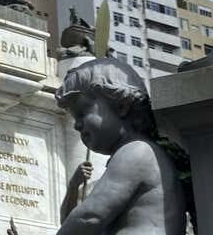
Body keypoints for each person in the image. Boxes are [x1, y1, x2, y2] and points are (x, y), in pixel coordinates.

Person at [53, 58, 186, 235]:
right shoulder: (134, 153)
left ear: (122, 106)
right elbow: (75, 221)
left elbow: (89, 216)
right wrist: (73, 186)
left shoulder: (137, 151)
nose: (76, 125)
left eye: (82, 113)